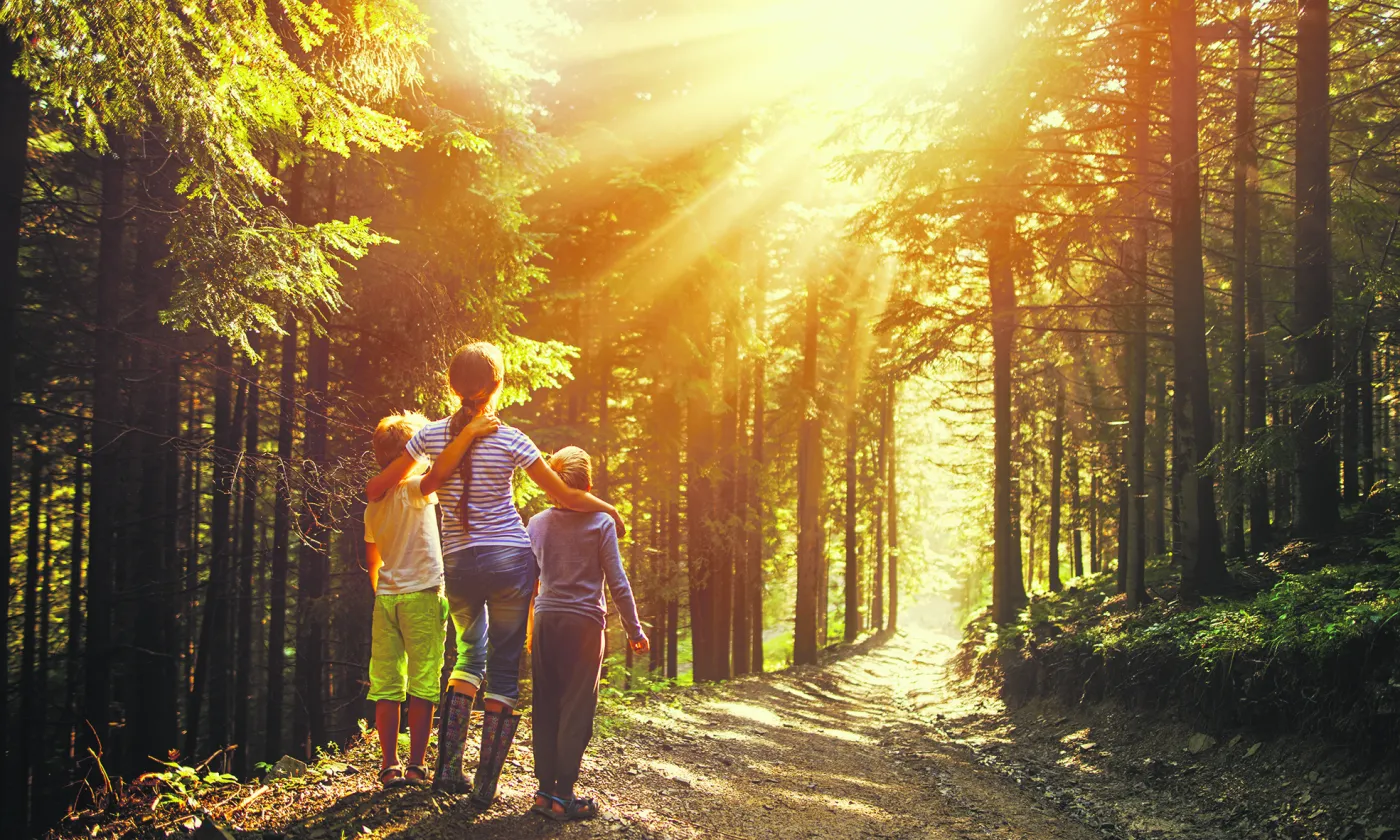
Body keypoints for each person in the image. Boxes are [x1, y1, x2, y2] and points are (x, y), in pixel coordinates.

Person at [365, 341, 625, 805]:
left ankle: (447, 771)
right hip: (509, 560)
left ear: (451, 386)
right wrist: (610, 510)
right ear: (498, 385)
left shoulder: (429, 438)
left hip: (460, 563)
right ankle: (484, 786)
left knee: (468, 656)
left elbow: (380, 487)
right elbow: (565, 496)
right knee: (504, 673)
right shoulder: (512, 439)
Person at [363, 410, 495, 787]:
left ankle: (389, 765)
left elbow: (372, 560)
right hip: (421, 594)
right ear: (412, 453)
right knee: (423, 681)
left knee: (386, 684)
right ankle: (416, 765)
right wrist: (466, 435)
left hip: (387, 599)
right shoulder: (413, 490)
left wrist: (385, 590)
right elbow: (439, 477)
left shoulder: (374, 505)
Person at [526, 446, 649, 821]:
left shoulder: (536, 524)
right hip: (584, 627)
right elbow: (617, 580)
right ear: (589, 485)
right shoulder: (602, 523)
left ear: (551, 486)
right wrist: (634, 629)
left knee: (545, 704)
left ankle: (544, 793)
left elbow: (526, 582)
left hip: (546, 620)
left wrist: (525, 628)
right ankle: (565, 794)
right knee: (577, 708)